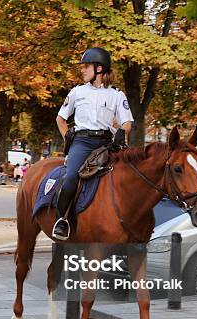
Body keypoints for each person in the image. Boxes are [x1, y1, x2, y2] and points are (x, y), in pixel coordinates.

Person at [53, 47, 134, 240]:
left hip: (106, 143)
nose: (82, 70)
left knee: (127, 174)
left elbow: (127, 122)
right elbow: (60, 119)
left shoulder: (116, 95)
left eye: (86, 66)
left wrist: (123, 131)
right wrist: (68, 138)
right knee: (72, 176)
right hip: (82, 143)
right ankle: (61, 220)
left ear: (99, 69)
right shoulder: (76, 92)